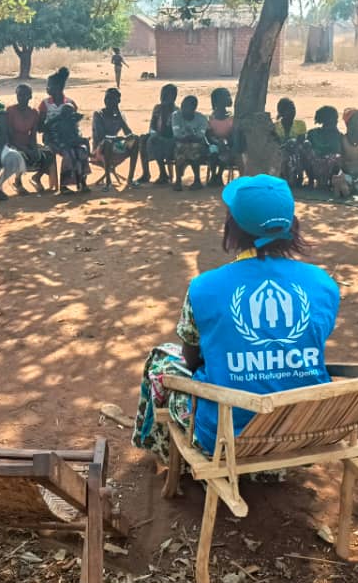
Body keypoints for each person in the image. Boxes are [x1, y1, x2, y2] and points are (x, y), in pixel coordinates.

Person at [132, 175, 339, 470]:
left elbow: (191, 361)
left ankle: (161, 452)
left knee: (161, 361)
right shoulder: (323, 284)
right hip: (304, 427)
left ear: (233, 228)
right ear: (292, 225)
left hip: (225, 435)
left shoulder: (204, 287)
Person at [39, 67, 90, 194]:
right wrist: (57, 119)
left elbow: (74, 125)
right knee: (68, 153)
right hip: (51, 138)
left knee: (81, 151)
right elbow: (40, 128)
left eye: (50, 86)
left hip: (69, 136)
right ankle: (64, 185)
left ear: (59, 87)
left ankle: (82, 181)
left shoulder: (70, 103)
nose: (47, 89)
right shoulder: (45, 104)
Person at [5, 84, 54, 194]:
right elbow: (9, 136)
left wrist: (34, 148)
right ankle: (18, 181)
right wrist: (26, 149)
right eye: (19, 95)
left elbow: (33, 135)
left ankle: (37, 177)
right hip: (13, 144)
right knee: (20, 155)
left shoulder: (33, 113)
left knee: (49, 154)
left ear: (30, 96)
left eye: (25, 95)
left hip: (27, 142)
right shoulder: (10, 111)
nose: (21, 98)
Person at [90, 88, 140, 191]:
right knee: (108, 142)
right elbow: (101, 136)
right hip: (99, 148)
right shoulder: (98, 114)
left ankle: (130, 179)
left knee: (135, 140)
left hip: (115, 145)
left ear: (118, 101)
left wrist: (120, 117)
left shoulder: (120, 115)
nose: (108, 101)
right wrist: (118, 138)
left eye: (112, 99)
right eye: (107, 98)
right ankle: (108, 181)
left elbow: (128, 134)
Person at [137, 84, 178, 186]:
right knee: (142, 139)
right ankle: (146, 173)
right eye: (162, 95)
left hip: (171, 139)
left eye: (166, 95)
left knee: (156, 141)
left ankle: (163, 173)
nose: (163, 98)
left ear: (173, 97)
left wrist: (158, 135)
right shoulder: (157, 108)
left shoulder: (176, 112)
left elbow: (172, 131)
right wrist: (153, 133)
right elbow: (152, 125)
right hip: (157, 136)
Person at [171, 96, 209, 192]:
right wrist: (190, 136)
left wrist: (189, 136)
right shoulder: (176, 116)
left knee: (193, 148)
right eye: (182, 106)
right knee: (182, 148)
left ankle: (182, 180)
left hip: (197, 144)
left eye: (186, 107)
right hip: (182, 143)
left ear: (194, 108)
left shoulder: (201, 118)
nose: (183, 109)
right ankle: (190, 180)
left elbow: (200, 136)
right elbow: (177, 135)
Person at [305, 106, 346, 196]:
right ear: (325, 120)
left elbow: (340, 153)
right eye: (333, 119)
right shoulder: (312, 133)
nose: (336, 121)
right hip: (315, 166)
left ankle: (331, 182)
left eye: (336, 119)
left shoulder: (338, 136)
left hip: (330, 169)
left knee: (337, 157)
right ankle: (311, 181)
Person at [206, 88, 240, 188]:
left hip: (228, 144)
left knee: (225, 154)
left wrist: (225, 143)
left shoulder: (232, 117)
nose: (229, 98)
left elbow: (233, 135)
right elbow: (208, 135)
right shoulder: (211, 118)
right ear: (217, 101)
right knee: (213, 153)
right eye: (226, 96)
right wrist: (217, 142)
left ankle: (219, 175)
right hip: (214, 143)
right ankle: (213, 175)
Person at [273, 98, 308, 188]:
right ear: (282, 112)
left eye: (293, 109)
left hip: (296, 152)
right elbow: (275, 143)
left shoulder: (300, 124)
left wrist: (291, 143)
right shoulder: (275, 127)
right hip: (282, 153)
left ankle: (299, 177)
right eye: (290, 109)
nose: (293, 112)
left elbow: (301, 140)